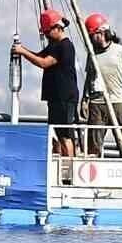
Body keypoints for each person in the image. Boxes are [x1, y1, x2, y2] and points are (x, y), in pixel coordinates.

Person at [12, 8, 80, 158]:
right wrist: (22, 50)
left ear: (58, 28)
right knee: (56, 133)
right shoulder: (53, 46)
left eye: (48, 31)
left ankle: (70, 168)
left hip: (64, 97)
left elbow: (44, 62)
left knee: (65, 134)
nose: (47, 35)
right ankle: (60, 164)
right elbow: (38, 56)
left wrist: (22, 52)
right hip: (54, 97)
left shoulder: (65, 46)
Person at [81, 13, 122, 155]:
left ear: (101, 33)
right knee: (94, 144)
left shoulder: (121, 51)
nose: (91, 39)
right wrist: (85, 99)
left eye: (93, 35)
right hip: (97, 104)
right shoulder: (92, 54)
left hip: (118, 102)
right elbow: (89, 77)